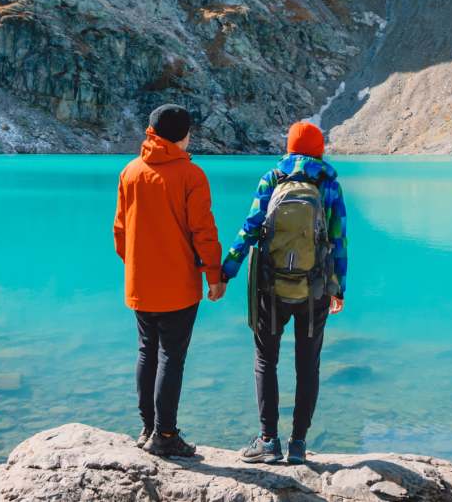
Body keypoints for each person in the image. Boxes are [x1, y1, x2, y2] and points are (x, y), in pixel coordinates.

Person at [220, 120, 348, 465]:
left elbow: (250, 228)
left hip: (270, 286)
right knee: (308, 366)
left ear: (289, 147)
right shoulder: (329, 184)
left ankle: (267, 441)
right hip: (314, 289)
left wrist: (226, 270)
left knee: (266, 360)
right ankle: (298, 445)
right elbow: (338, 240)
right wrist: (338, 288)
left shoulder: (272, 178)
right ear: (320, 149)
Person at [113, 104, 226, 457]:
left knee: (147, 351)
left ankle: (147, 427)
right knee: (171, 358)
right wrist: (214, 275)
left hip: (140, 284)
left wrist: (136, 267)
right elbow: (203, 232)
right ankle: (165, 435)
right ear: (182, 135)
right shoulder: (191, 176)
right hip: (178, 287)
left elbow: (120, 231)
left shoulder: (130, 171)